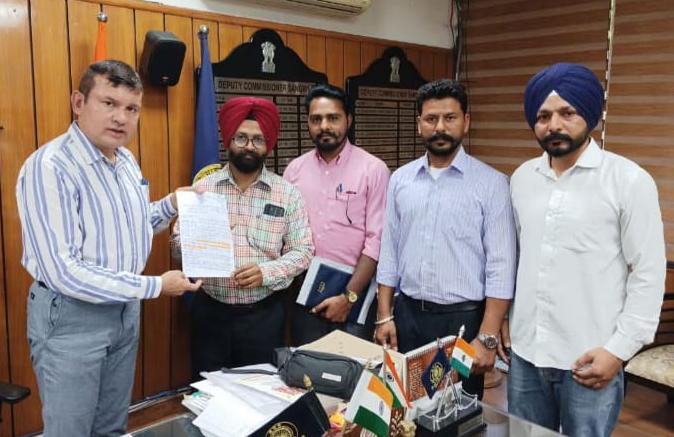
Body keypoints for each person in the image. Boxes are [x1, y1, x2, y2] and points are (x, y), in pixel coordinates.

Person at [16, 60, 201, 436]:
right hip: (72, 316)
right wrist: (155, 285)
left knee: (112, 426)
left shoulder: (126, 160)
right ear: (78, 102)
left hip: (124, 309)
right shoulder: (50, 167)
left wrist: (171, 204)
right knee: (70, 431)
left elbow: (133, 226)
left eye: (131, 108)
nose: (121, 118)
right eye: (109, 103)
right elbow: (64, 271)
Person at [505, 62, 666, 436]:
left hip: (591, 356)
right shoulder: (522, 179)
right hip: (527, 354)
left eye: (567, 112)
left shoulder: (628, 181)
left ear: (591, 115)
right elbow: (519, 257)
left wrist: (618, 351)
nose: (554, 125)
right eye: (543, 116)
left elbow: (648, 272)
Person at [374, 79, 517, 399]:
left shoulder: (492, 184)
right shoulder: (401, 180)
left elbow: (501, 266)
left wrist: (488, 336)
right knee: (404, 406)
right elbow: (390, 250)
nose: (440, 127)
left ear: (466, 121)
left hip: (462, 323)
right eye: (431, 119)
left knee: (454, 412)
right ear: (419, 124)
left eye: (449, 118)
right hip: (408, 316)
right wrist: (384, 315)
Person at [171, 97, 313, 378]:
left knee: (259, 392)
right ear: (228, 139)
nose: (249, 146)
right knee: (207, 391)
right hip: (210, 314)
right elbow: (177, 253)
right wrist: (183, 241)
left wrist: (266, 272)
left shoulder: (287, 194)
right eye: (241, 137)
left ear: (268, 144)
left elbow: (303, 251)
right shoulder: (202, 190)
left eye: (258, 139)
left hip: (263, 317)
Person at [283, 84, 389, 344]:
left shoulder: (373, 170)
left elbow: (376, 240)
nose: (324, 126)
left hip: (354, 299)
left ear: (348, 120)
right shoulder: (294, 171)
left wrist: (348, 297)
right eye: (316, 119)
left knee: (352, 367)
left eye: (333, 118)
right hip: (304, 297)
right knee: (305, 366)